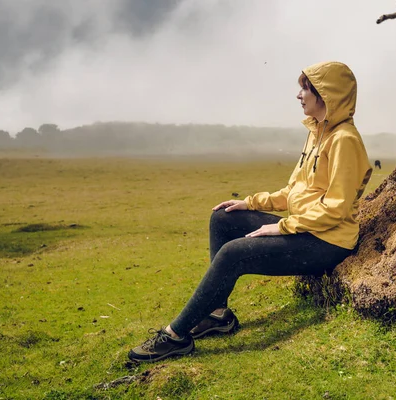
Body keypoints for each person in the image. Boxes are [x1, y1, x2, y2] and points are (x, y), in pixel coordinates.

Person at [128, 61, 373, 363]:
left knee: (234, 254)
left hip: (328, 241)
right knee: (223, 218)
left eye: (305, 89)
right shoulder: (317, 133)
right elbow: (295, 191)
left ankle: (175, 337)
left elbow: (336, 207)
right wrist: (251, 202)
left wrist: (283, 227)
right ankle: (218, 315)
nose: (299, 95)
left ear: (326, 94)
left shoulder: (344, 140)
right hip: (306, 228)